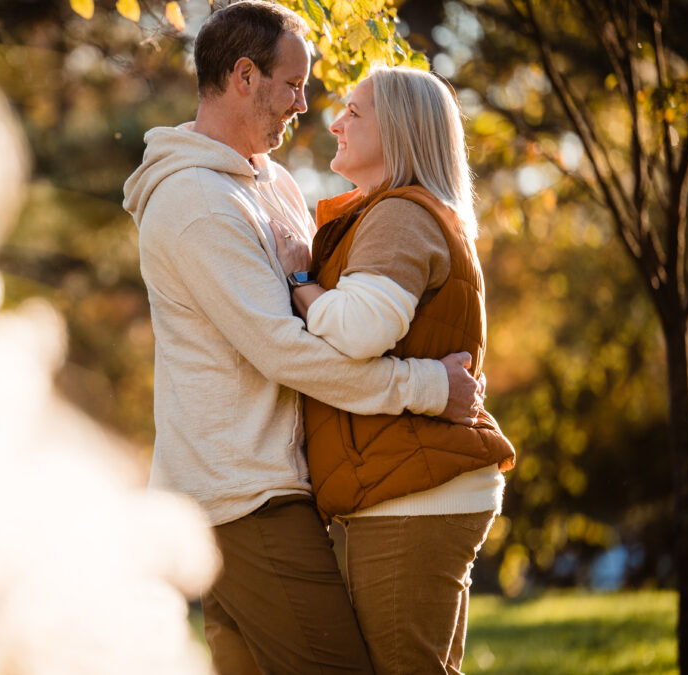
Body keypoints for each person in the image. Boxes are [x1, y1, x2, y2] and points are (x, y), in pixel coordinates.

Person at [122, 3, 485, 673]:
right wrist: (429, 386)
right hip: (243, 495)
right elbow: (286, 348)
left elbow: (316, 306)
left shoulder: (274, 184)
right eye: (291, 84)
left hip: (271, 486)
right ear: (243, 76)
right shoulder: (197, 202)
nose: (303, 101)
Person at [269, 66, 517, 674]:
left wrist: (301, 283)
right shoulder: (393, 213)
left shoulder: (400, 215)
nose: (335, 122)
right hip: (410, 481)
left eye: (355, 112)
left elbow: (357, 329)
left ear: (401, 130)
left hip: (413, 491)